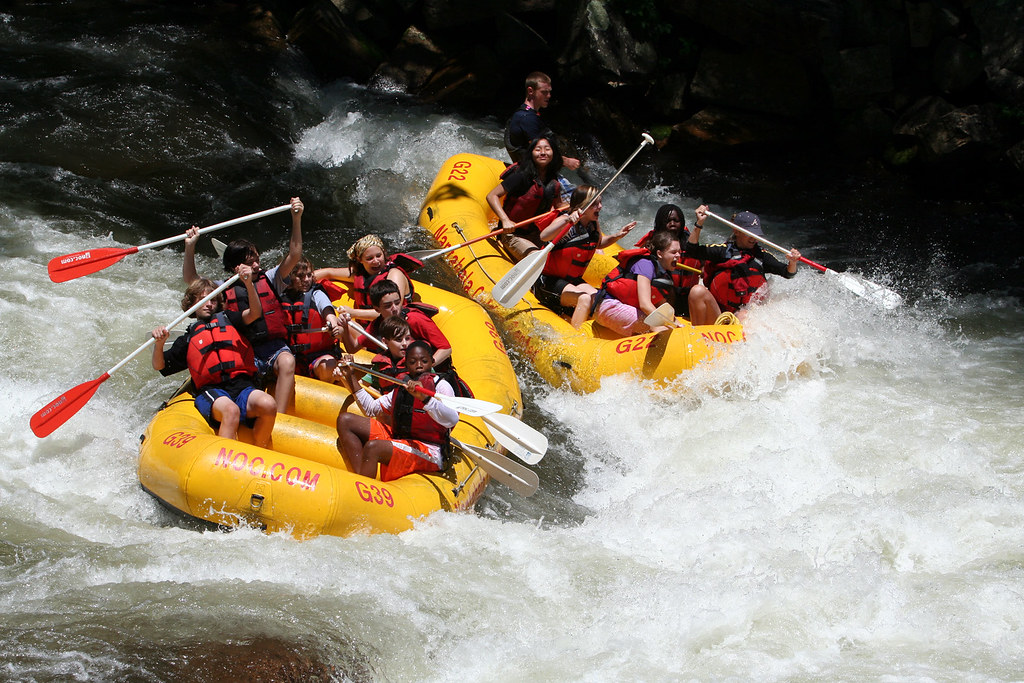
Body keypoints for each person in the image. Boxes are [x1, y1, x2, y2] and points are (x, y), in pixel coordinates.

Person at [183, 196, 303, 414]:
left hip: (273, 348)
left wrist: (296, 219)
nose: (256, 265)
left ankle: (282, 417)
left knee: (287, 361)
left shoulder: (272, 277)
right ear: (234, 267)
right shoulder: (221, 287)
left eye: (257, 259)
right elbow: (192, 280)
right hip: (242, 351)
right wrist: (190, 247)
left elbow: (294, 254)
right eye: (250, 262)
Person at [151, 273, 277, 447]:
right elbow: (160, 366)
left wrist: (249, 284)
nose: (209, 304)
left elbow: (255, 313)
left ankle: (260, 448)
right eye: (202, 300)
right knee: (230, 410)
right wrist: (159, 344)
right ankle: (223, 463)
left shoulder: (231, 320)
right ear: (192, 305)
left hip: (242, 386)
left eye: (212, 300)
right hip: (212, 391)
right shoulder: (188, 339)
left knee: (268, 404)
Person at [334, 342, 459, 481]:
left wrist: (425, 399)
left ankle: (363, 489)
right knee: (345, 420)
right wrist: (351, 377)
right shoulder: (402, 386)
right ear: (406, 365)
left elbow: (452, 420)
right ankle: (360, 480)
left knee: (373, 447)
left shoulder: (441, 386)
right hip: (401, 438)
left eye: (424, 361)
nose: (419, 365)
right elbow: (370, 409)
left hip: (431, 450)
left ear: (432, 361)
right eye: (412, 361)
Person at [533, 184, 635, 328]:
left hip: (572, 280)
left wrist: (617, 236)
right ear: (582, 205)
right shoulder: (566, 222)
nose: (600, 207)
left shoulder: (593, 224)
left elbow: (599, 243)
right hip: (548, 282)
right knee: (585, 299)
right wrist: (567, 220)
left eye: (600, 202)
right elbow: (544, 236)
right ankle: (576, 336)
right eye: (595, 204)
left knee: (598, 299)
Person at [685, 206, 802, 326]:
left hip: (745, 317)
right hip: (719, 314)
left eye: (756, 234)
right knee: (697, 291)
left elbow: (788, 273)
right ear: (736, 231)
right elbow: (691, 251)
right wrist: (699, 223)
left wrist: (793, 262)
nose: (753, 238)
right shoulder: (722, 251)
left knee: (743, 314)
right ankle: (696, 335)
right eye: (749, 234)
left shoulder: (762, 256)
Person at [338, 280, 453, 372]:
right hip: (400, 372)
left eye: (397, 303)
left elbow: (446, 348)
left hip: (431, 373)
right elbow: (352, 348)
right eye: (388, 306)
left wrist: (424, 367)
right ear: (377, 309)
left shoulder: (415, 320)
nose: (395, 309)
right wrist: (345, 328)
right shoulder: (378, 324)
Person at [592, 231, 687, 336]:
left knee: (668, 327)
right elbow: (645, 305)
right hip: (609, 306)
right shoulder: (645, 265)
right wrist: (668, 324)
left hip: (627, 307)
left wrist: (678, 326)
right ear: (660, 254)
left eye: (679, 251)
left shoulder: (663, 273)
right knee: (659, 327)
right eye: (673, 252)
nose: (678, 255)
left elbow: (661, 306)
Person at [486, 136, 565, 261]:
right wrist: (505, 220)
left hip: (537, 234)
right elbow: (492, 196)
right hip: (512, 234)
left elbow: (559, 206)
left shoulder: (553, 181)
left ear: (553, 153)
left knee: (558, 257)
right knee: (535, 258)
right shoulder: (521, 175)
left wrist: (578, 206)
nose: (543, 153)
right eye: (538, 149)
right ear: (531, 153)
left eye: (547, 149)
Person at [313, 234, 421, 319]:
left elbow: (393, 311)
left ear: (384, 253)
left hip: (394, 327)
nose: (376, 261)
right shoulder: (359, 274)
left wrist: (354, 313)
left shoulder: (394, 275)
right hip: (369, 327)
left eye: (379, 256)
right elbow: (329, 272)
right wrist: (300, 283)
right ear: (360, 260)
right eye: (369, 258)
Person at [280, 257, 344, 383]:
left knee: (328, 365)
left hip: (319, 355)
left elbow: (327, 309)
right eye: (300, 276)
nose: (306, 280)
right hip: (290, 355)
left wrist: (332, 323)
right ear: (289, 277)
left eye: (309, 275)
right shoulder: (279, 294)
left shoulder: (317, 294)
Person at [504, 71, 581, 171]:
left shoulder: (530, 115)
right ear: (531, 91)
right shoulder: (527, 118)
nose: (548, 96)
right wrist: (566, 162)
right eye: (544, 92)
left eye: (549, 92)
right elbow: (541, 154)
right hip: (530, 174)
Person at [635, 203, 702, 316]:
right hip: (662, 298)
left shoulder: (690, 244)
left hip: (687, 297)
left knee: (699, 291)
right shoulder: (650, 246)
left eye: (676, 221)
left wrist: (699, 223)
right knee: (663, 282)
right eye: (668, 221)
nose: (672, 224)